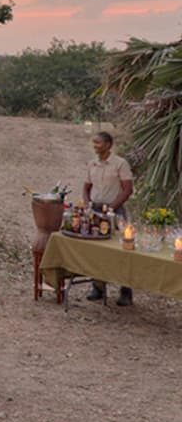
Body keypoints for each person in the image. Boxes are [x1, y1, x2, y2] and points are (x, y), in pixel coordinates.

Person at [83, 131, 134, 306]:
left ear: (108, 145)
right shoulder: (92, 164)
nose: (95, 145)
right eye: (94, 142)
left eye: (98, 143)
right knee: (96, 249)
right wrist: (88, 204)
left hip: (116, 211)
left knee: (122, 251)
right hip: (96, 210)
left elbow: (127, 190)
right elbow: (86, 187)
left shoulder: (120, 164)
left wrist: (111, 207)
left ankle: (126, 291)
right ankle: (97, 287)